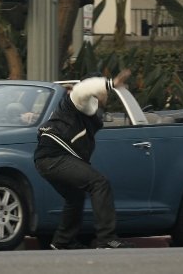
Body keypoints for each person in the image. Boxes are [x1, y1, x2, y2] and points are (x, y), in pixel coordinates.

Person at [34, 69, 135, 250]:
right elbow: (83, 89)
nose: (107, 93)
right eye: (102, 88)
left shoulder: (92, 111)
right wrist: (111, 82)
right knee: (99, 183)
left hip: (48, 159)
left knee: (75, 196)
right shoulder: (79, 99)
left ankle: (62, 241)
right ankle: (107, 239)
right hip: (55, 156)